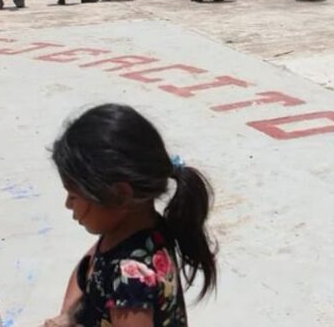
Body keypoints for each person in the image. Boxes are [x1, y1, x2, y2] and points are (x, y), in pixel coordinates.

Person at [46, 104, 217, 327]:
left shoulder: (131, 281)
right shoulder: (133, 233)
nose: (68, 204)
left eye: (74, 195)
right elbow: (89, 267)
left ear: (120, 194)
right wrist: (67, 316)